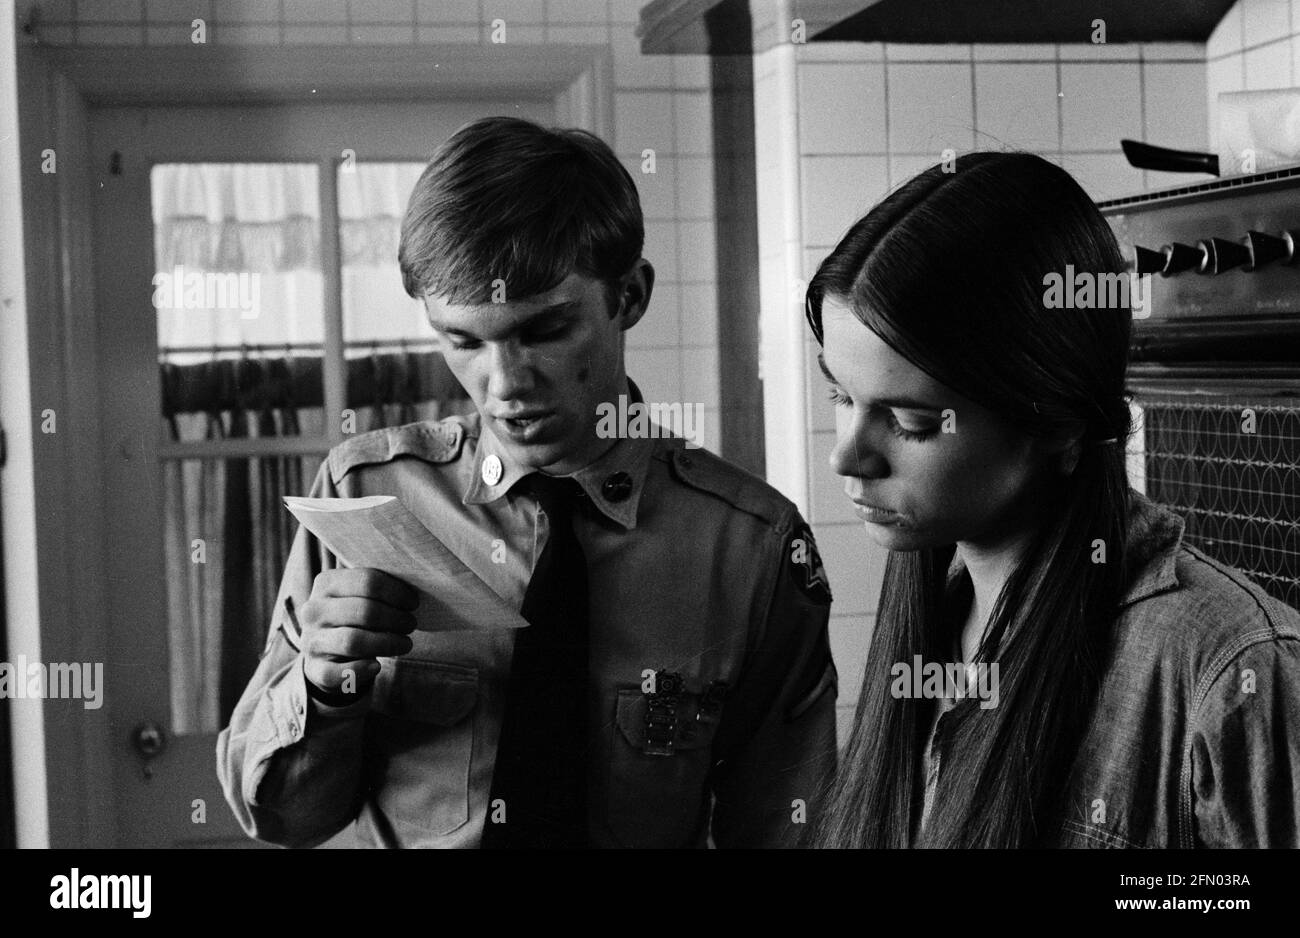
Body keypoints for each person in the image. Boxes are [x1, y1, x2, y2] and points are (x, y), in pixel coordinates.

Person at [216, 116, 838, 849]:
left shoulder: (751, 549)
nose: (505, 386)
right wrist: (321, 687)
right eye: (465, 341)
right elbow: (282, 820)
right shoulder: (368, 499)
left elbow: (786, 829)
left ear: (629, 296)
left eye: (543, 332)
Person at [805, 151, 1300, 849]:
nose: (847, 455)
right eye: (841, 396)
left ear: (1056, 421)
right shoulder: (936, 617)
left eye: (912, 421)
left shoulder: (1230, 672)